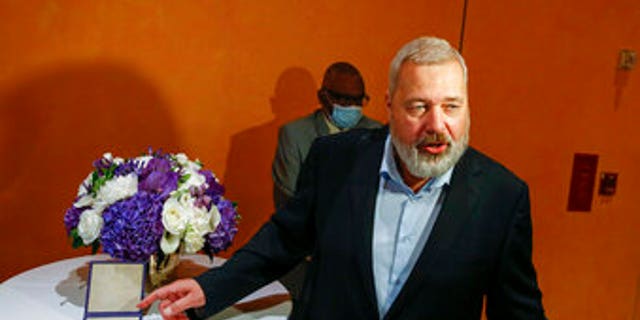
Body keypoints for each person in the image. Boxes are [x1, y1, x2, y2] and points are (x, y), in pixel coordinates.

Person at [138, 36, 546, 320]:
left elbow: (517, 312)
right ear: (389, 105)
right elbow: (282, 242)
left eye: (452, 107)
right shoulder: (335, 160)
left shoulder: (501, 197)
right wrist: (212, 288)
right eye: (419, 107)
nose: (437, 125)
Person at [272, 61, 382, 210]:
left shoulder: (376, 133)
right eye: (343, 100)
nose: (351, 107)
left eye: (357, 101)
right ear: (323, 97)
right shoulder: (295, 135)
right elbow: (290, 203)